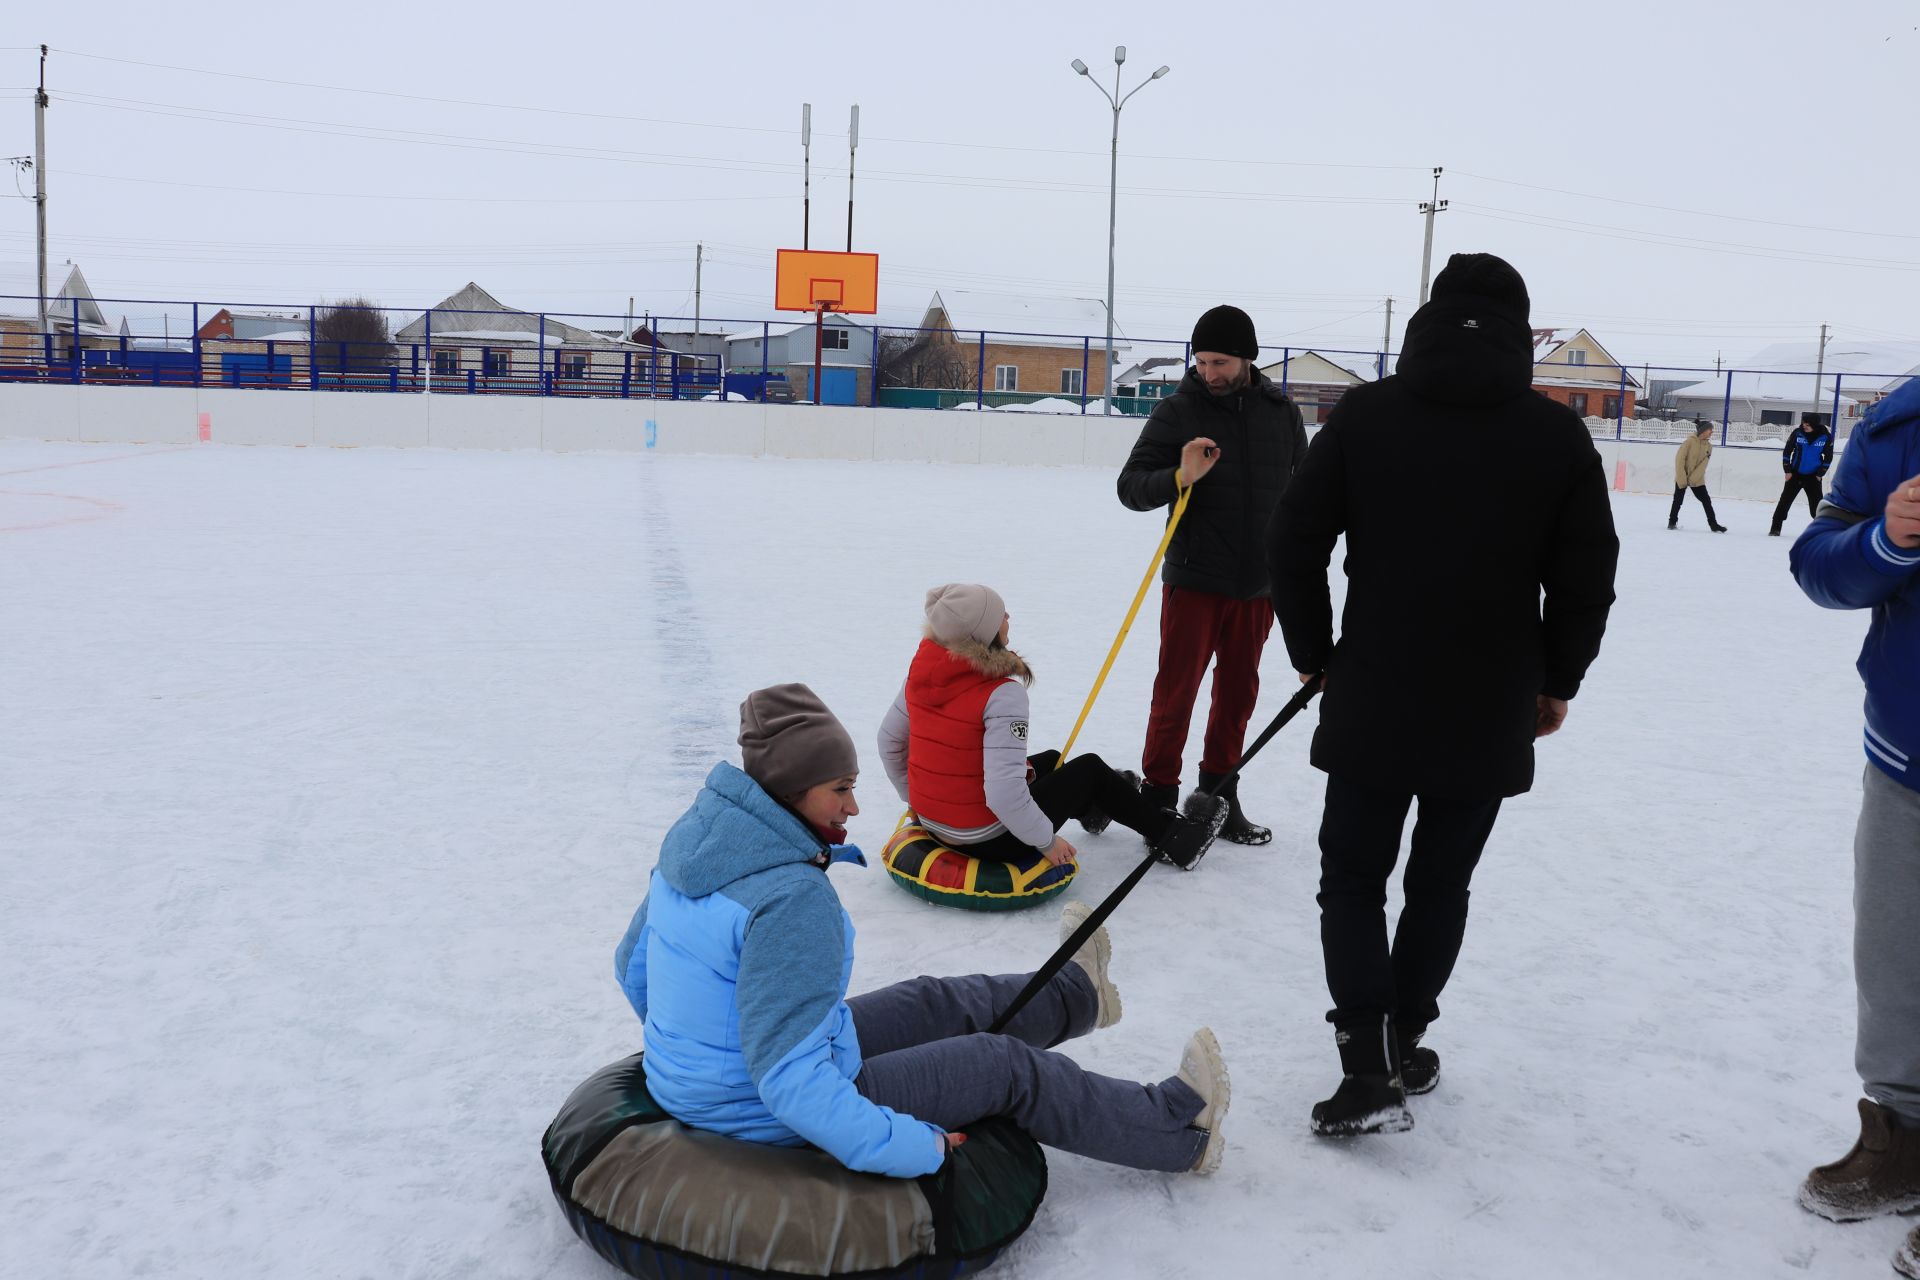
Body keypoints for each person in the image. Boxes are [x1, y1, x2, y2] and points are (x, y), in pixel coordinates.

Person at [1267, 253, 1619, 1136]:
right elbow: (1587, 580)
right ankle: (1405, 1037)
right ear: (1520, 330)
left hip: (1374, 685)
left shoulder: (1367, 414)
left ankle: (1369, 1059)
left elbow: (1294, 541)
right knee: (1441, 883)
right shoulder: (1556, 436)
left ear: (1431, 317)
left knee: (1351, 876)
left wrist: (1314, 653)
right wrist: (1558, 680)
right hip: (1492, 697)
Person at [613, 682, 1232, 1180]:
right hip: (766, 1110)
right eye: (841, 790)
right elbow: (790, 1085)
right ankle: (1179, 1130)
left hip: (722, 1081)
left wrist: (697, 1052)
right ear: (791, 789)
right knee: (1004, 1067)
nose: (854, 808)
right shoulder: (788, 901)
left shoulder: (698, 849)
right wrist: (913, 1147)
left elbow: (631, 968)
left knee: (930, 1000)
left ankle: (1077, 993)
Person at [1787, 376, 1920, 1279]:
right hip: (1907, 749)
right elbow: (1818, 560)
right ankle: (1902, 1137)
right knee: (1894, 957)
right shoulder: (1896, 426)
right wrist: (1886, 538)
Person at [1117, 304, 1309, 845]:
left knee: (1238, 692)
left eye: (1219, 361)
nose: (1209, 372)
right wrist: (1180, 474)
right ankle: (1159, 796)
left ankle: (1219, 792)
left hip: (1258, 585)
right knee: (1176, 691)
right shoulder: (1178, 411)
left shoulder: (1281, 412)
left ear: (1248, 357)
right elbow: (1130, 487)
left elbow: (1306, 490)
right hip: (1195, 579)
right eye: (1201, 361)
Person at [877, 584, 1226, 871]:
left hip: (936, 824)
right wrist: (1046, 840)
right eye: (1001, 615)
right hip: (989, 839)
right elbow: (1002, 793)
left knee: (1051, 760)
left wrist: (922, 802)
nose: (1009, 617)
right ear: (983, 633)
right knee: (1088, 769)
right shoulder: (1001, 695)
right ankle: (1177, 840)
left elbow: (888, 742)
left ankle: (1094, 810)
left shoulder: (921, 676)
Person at [1771, 413, 1835, 537]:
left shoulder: (1825, 437)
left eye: (1807, 424)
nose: (1804, 425)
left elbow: (1828, 457)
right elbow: (1787, 451)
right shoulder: (1797, 433)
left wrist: (1820, 474)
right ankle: (1775, 529)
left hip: (1813, 477)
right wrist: (1787, 470)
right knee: (1784, 502)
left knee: (1817, 507)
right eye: (1803, 423)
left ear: (1815, 425)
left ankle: (1821, 532)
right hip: (1794, 475)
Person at [1669, 419, 1728, 532]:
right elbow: (1679, 460)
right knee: (1678, 500)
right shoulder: (1689, 442)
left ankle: (1713, 524)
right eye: (1710, 429)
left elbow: (1703, 465)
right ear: (1703, 430)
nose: (1712, 432)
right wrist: (1682, 478)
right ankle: (1672, 522)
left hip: (1697, 478)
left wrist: (1692, 479)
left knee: (1706, 500)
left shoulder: (1709, 447)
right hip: (1682, 475)